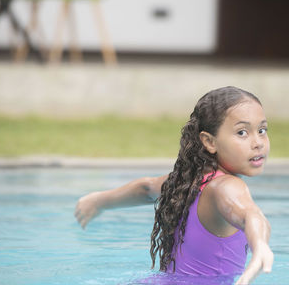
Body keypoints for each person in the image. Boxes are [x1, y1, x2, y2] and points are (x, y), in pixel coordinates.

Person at [74, 86, 274, 284]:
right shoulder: (227, 186)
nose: (258, 142)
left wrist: (98, 201)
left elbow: (146, 188)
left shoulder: (186, 181)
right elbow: (250, 214)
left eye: (262, 130)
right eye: (242, 133)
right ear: (210, 142)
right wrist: (260, 245)